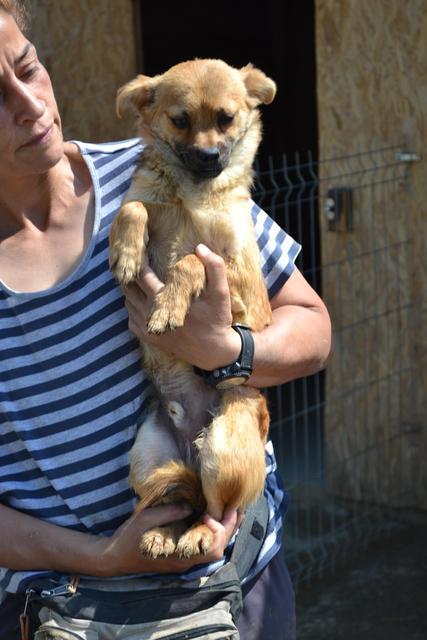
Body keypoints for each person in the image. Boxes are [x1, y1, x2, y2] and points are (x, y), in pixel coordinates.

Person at [0, 1, 332, 638]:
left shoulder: (158, 169)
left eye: (28, 67)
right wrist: (103, 557)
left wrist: (225, 349)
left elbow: (312, 329)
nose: (30, 103)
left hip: (239, 591)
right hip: (67, 615)